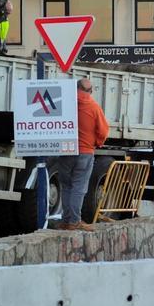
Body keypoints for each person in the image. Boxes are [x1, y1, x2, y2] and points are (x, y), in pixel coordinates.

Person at [53, 78, 109, 231]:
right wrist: (97, 142)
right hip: (85, 152)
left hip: (66, 150)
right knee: (79, 187)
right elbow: (103, 131)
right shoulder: (94, 107)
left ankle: (66, 220)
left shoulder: (65, 103)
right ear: (90, 91)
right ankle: (75, 221)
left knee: (66, 186)